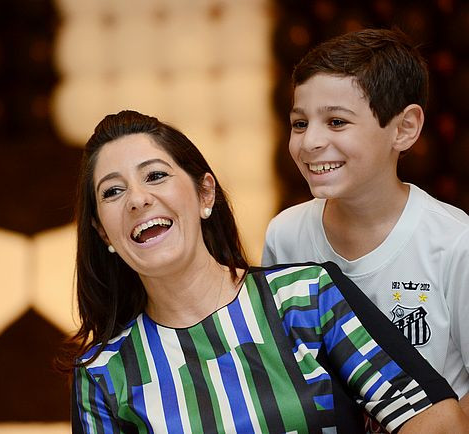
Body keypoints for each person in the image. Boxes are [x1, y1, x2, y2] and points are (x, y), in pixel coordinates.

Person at [66, 110, 468, 433]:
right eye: (113, 191)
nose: (137, 199)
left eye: (155, 176)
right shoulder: (102, 376)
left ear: (205, 194)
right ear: (103, 232)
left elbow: (437, 421)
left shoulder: (308, 297)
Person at [261, 27, 469, 419]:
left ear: (404, 128)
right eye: (300, 123)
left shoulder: (456, 243)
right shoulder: (284, 235)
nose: (310, 142)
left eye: (336, 122)